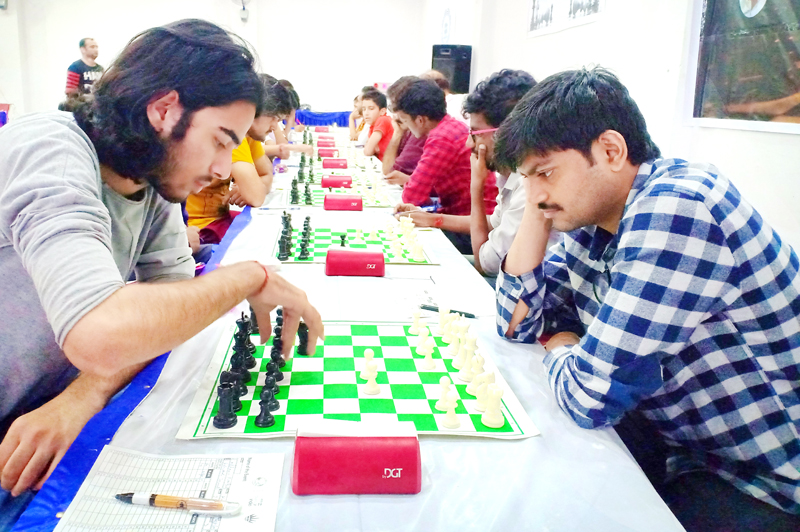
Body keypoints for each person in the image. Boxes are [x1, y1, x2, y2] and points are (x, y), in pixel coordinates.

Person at [0, 20, 322, 529]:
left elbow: (169, 313)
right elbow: (101, 332)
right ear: (164, 110)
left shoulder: (149, 183)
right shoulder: (51, 149)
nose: (223, 168)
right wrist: (249, 277)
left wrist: (81, 396)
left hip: (35, 416)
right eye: (221, 141)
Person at [494, 67, 800, 532]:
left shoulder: (678, 207)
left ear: (611, 151)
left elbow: (588, 396)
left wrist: (561, 342)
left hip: (763, 483)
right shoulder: (598, 219)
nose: (535, 195)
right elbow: (515, 325)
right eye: (526, 178)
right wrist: (541, 207)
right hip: (685, 446)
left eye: (546, 172)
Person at [396, 70, 536, 279]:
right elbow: (493, 223)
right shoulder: (512, 175)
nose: (469, 143)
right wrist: (431, 218)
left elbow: (484, 264)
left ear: (506, 133)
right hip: (481, 238)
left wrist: (476, 187)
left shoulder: (529, 186)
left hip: (487, 257)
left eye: (475, 134)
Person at [392, 79, 497, 253]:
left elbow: (412, 195)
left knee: (403, 241)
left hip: (471, 226)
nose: (407, 128)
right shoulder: (450, 126)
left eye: (405, 120)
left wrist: (426, 211)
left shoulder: (442, 138)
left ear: (420, 120)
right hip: (466, 217)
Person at [186, 77, 294, 244]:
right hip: (200, 226)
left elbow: (266, 174)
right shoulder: (235, 134)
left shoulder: (250, 135)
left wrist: (255, 185)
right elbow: (256, 196)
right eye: (274, 118)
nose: (275, 126)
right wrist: (254, 186)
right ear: (256, 111)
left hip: (220, 217)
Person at [381, 76, 426, 178]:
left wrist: (397, 133)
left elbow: (389, 171)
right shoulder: (407, 128)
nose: (394, 114)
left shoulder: (419, 132)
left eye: (396, 107)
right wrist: (398, 132)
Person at [361, 89, 393, 161]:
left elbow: (368, 151)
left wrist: (372, 147)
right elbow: (369, 148)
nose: (366, 113)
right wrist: (373, 147)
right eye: (364, 109)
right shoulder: (372, 125)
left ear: (382, 111)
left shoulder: (382, 120)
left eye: (371, 109)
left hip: (389, 165)